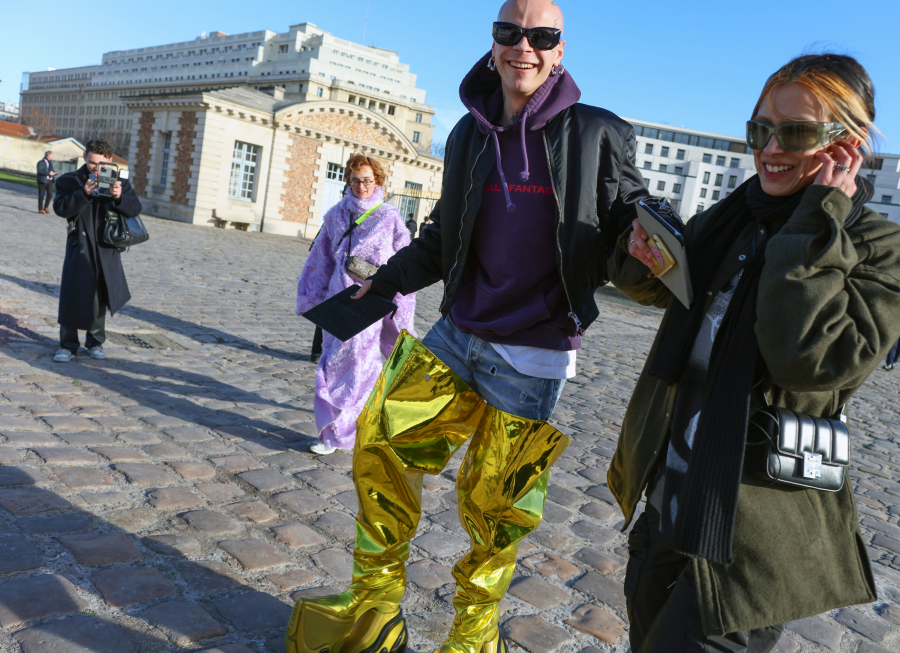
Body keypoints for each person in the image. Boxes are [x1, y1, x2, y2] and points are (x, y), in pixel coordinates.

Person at [285, 1, 647, 651]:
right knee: (381, 446)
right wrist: (387, 280)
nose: (524, 46)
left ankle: (472, 637)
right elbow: (442, 234)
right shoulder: (469, 133)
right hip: (459, 332)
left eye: (542, 36)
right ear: (494, 44)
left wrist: (654, 256)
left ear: (560, 51)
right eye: (510, 32)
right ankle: (374, 610)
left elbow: (628, 233)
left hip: (533, 354)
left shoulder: (597, 134)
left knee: (495, 511)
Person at [608, 54, 900, 653]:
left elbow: (806, 358)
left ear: (847, 144)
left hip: (749, 542)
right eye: (759, 128)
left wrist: (818, 219)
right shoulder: (737, 217)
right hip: (670, 504)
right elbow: (672, 290)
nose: (769, 146)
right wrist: (642, 258)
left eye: (793, 131)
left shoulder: (878, 248)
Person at [295, 152, 416, 455]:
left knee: (359, 364)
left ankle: (339, 435)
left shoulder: (389, 217)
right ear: (347, 182)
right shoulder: (337, 214)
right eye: (355, 181)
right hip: (338, 298)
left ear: (377, 181)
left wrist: (401, 306)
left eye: (366, 180)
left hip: (370, 302)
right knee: (330, 360)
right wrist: (311, 296)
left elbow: (406, 264)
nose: (361, 186)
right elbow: (320, 258)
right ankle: (338, 424)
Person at [52, 140, 141, 363]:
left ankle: (95, 342)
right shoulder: (68, 180)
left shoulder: (120, 180)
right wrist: (83, 194)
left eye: (101, 164)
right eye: (92, 162)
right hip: (79, 246)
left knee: (100, 296)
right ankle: (67, 345)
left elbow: (135, 209)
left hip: (106, 247)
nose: (96, 167)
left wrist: (119, 196)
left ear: (110, 161)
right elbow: (60, 208)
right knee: (72, 294)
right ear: (84, 157)